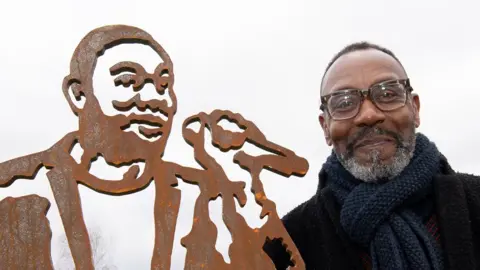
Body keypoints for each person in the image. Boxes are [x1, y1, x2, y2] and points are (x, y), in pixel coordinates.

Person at [0, 25, 309, 269]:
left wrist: (242, 188)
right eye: (127, 81)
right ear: (78, 94)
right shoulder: (12, 189)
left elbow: (276, 264)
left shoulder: (207, 194)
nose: (153, 99)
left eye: (163, 84)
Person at [264, 42, 480, 270]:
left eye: (387, 94)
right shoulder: (286, 245)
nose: (369, 115)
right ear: (325, 127)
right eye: (344, 103)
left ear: (415, 109)